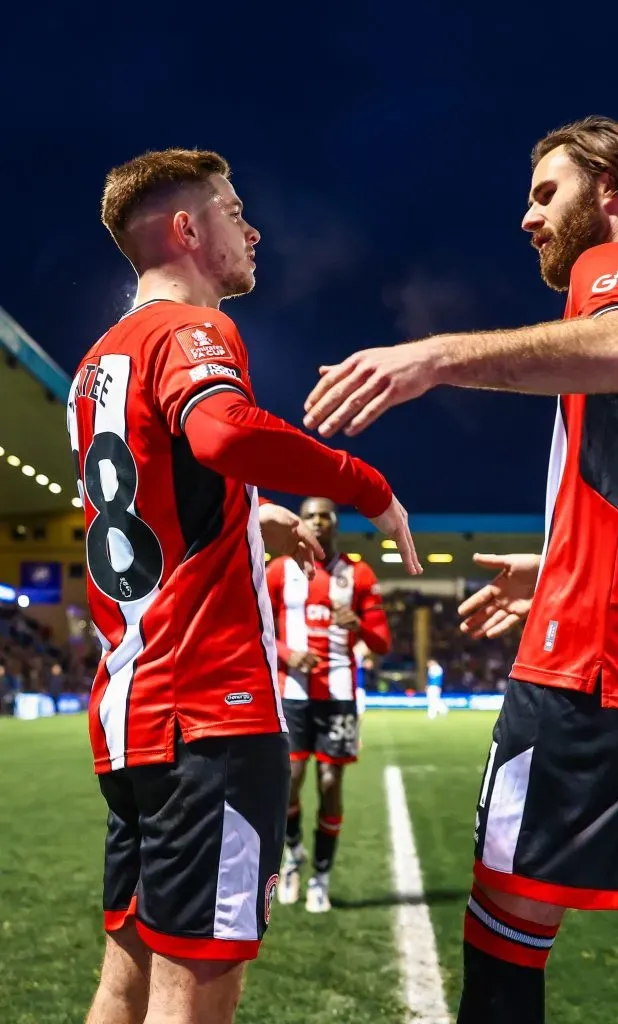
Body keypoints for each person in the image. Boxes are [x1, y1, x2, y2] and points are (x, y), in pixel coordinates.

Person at [302, 117, 618, 1023]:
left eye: (546, 193)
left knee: (504, 938)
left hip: (598, 662)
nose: (528, 218)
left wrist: (433, 358)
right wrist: (559, 560)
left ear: (611, 185)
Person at [67, 147, 421, 1024]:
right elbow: (222, 432)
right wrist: (364, 484)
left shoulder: (95, 364)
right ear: (186, 231)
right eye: (232, 210)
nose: (253, 228)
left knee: (126, 979)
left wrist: (243, 516)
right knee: (194, 996)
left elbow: (155, 498)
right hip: (210, 717)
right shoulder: (193, 330)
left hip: (131, 712)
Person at [266, 497, 391, 913]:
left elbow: (382, 641)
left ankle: (321, 874)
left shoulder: (358, 574)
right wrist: (286, 653)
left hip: (339, 695)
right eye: (310, 516)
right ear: (299, 523)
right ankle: (293, 854)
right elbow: (255, 624)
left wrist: (360, 625)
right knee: (289, 780)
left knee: (330, 783)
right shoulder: (279, 570)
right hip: (293, 691)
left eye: (325, 516)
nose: (317, 522)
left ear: (336, 524)